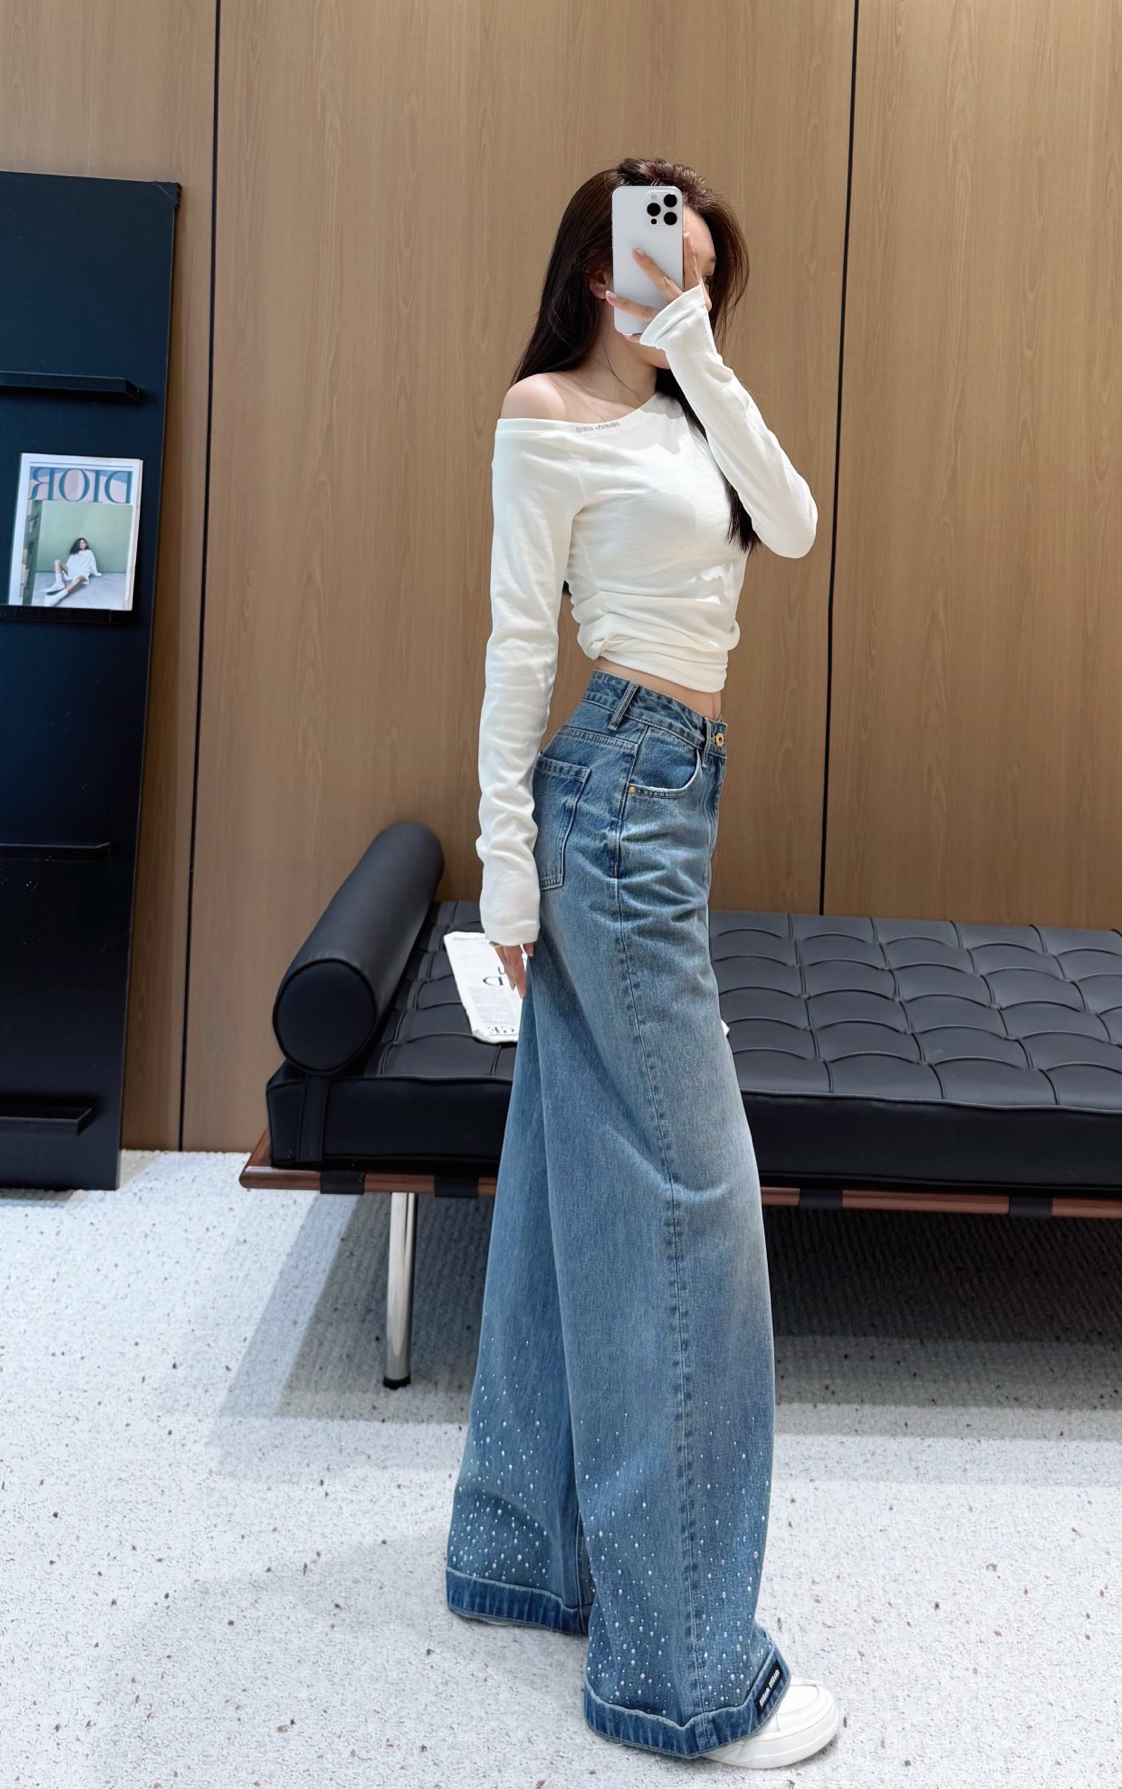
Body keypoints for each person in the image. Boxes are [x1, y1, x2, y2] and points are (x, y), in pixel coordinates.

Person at [445, 158, 837, 1768]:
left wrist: (705, 358)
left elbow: (795, 526)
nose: (685, 278)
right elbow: (517, 641)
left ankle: (520, 1551)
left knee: (567, 1176)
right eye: (661, 254)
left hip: (666, 793)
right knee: (694, 1207)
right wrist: (505, 872)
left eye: (706, 266)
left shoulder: (692, 415)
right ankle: (685, 1676)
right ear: (597, 267)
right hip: (612, 797)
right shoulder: (543, 417)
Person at [45, 536, 99, 600]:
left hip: (83, 572)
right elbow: (69, 564)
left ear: (86, 544)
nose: (82, 544)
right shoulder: (75, 553)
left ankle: (57, 597)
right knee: (57, 561)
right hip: (73, 570)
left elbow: (92, 563)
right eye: (80, 543)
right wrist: (64, 570)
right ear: (77, 545)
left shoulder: (89, 552)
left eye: (83, 542)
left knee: (78, 579)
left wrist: (96, 572)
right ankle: (59, 583)